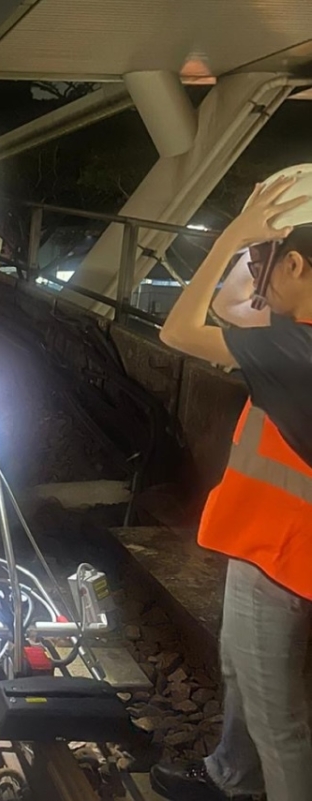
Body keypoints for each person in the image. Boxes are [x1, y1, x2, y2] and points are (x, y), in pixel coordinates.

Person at [151, 166, 312, 801]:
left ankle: (251, 780)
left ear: (296, 265)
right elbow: (229, 306)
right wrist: (259, 237)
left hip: (282, 556)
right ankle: (232, 776)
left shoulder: (293, 354)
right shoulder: (293, 337)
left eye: (269, 263)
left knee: (280, 723)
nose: (259, 276)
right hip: (272, 548)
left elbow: (179, 328)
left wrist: (229, 239)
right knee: (244, 675)